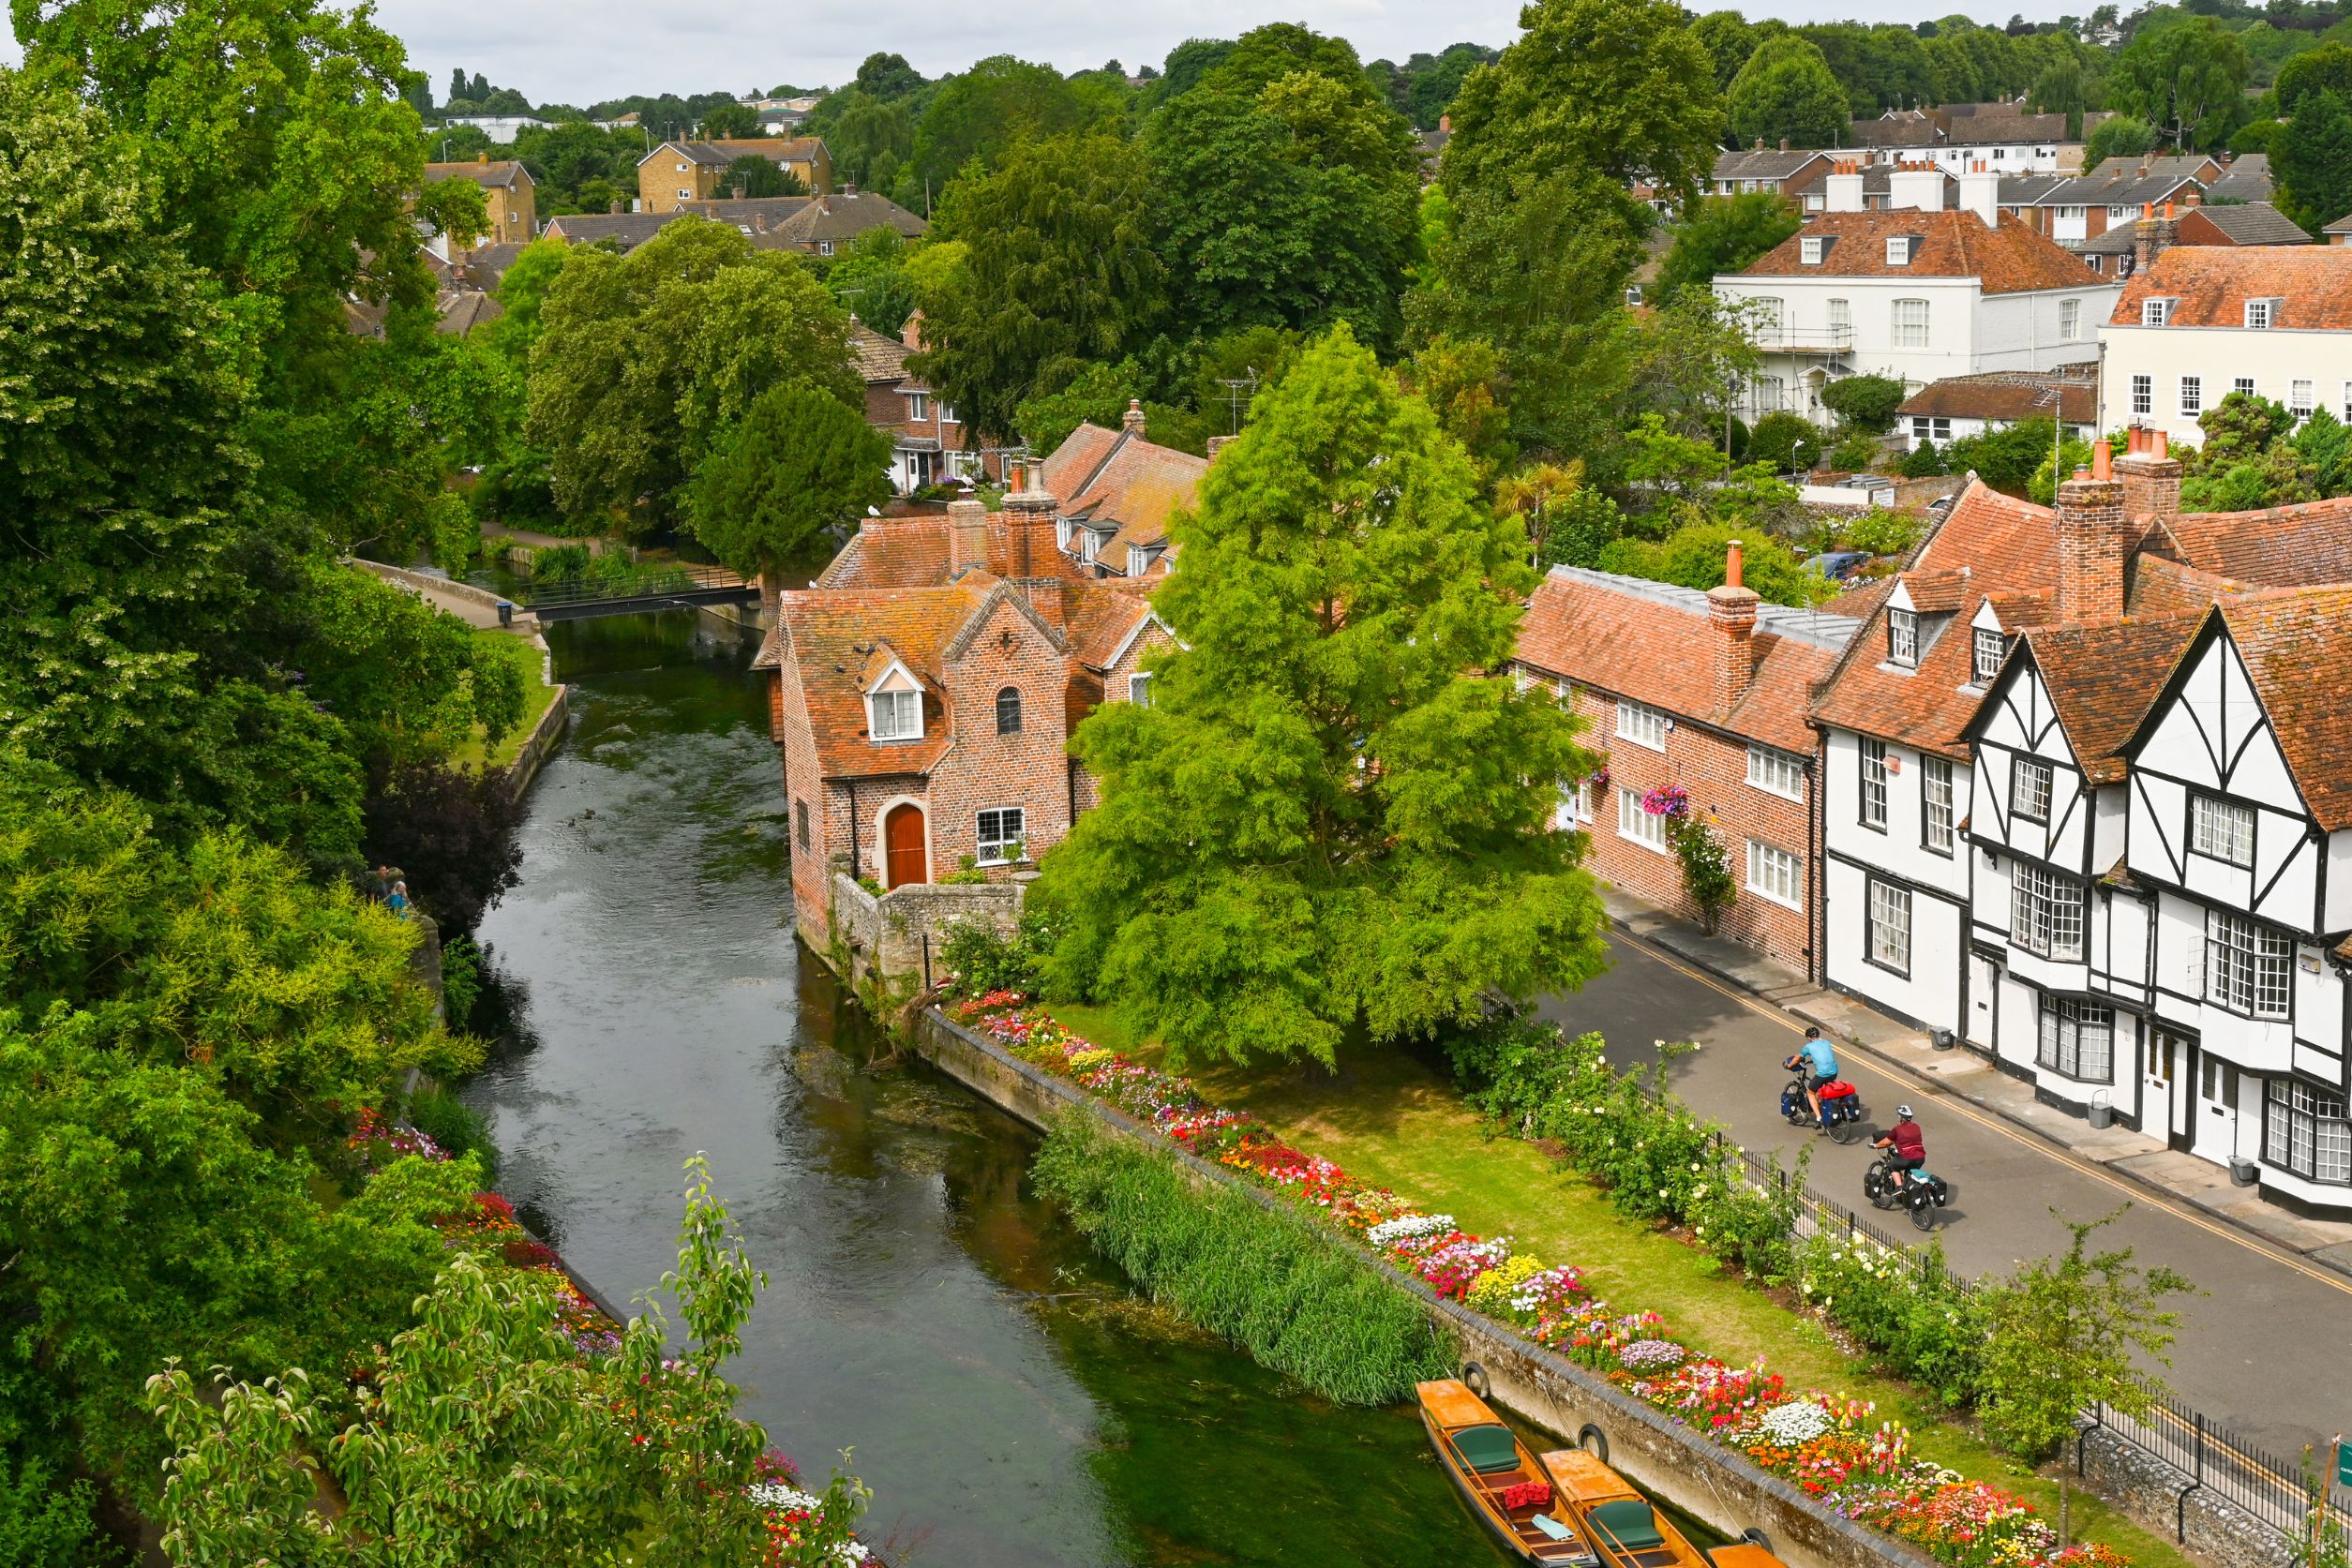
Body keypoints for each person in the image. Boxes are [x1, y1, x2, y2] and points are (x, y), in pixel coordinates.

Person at [1782, 1025, 1840, 1128]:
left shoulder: (1808, 1047)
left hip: (1823, 1074)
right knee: (1822, 1088)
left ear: (1809, 1038)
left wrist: (1789, 1066)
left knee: (1810, 1092)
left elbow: (1797, 1058)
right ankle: (1824, 1104)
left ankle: (1819, 1118)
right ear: (1818, 1035)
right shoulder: (1826, 1042)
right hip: (1834, 1072)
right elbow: (1823, 1054)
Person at [1874, 1105, 1926, 1189]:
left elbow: (1886, 1142)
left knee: (1891, 1165)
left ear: (1901, 1118)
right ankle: (1909, 1190)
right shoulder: (1917, 1127)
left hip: (1907, 1158)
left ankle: (1899, 1188)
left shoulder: (1897, 1129)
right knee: (1908, 1175)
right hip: (1920, 1158)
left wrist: (1876, 1145)